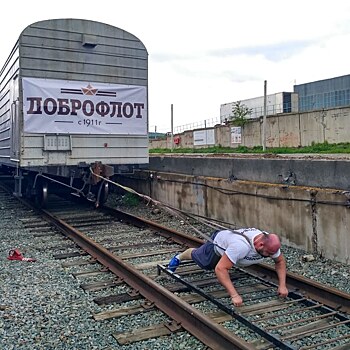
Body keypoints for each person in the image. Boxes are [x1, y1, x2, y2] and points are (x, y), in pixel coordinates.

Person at [167, 228, 288, 307]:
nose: (271, 256)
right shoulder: (240, 246)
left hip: (232, 247)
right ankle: (180, 257)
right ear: (260, 244)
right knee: (206, 264)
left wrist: (282, 285)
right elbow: (220, 269)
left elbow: (280, 261)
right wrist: (234, 295)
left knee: (227, 261)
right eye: (268, 254)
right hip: (217, 245)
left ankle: (228, 258)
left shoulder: (270, 245)